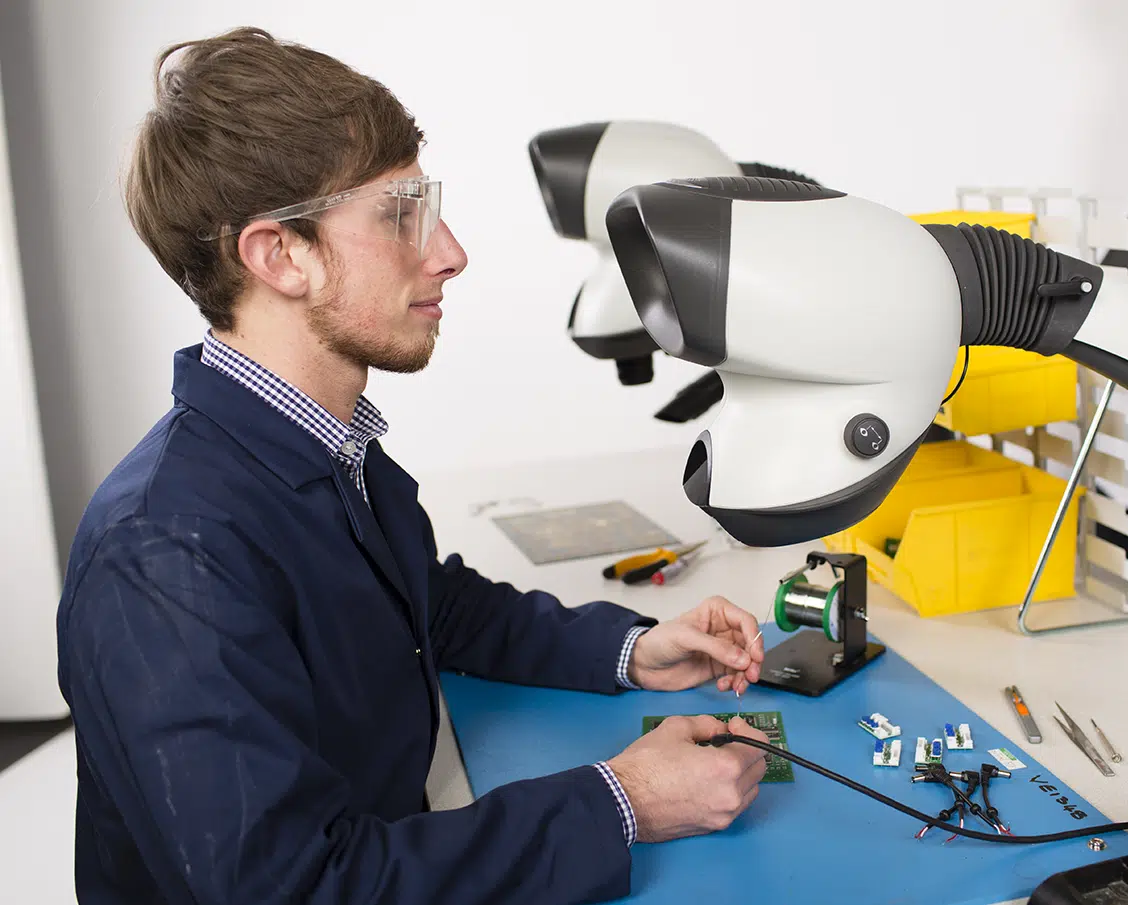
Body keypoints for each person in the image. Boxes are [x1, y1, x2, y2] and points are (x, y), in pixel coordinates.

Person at [55, 28, 772, 905]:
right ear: (280, 254)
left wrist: (634, 648)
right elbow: (300, 890)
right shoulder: (166, 553)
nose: (451, 251)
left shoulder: (323, 443)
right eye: (401, 214)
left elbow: (426, 606)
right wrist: (623, 800)